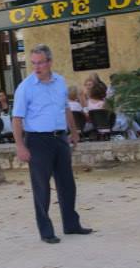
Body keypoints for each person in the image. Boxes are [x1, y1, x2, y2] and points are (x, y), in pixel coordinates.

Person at [12, 44, 92, 243]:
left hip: (60, 138)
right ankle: (46, 232)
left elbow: (65, 109)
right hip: (37, 141)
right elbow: (16, 118)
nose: (37, 68)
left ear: (49, 62)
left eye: (40, 63)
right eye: (33, 64)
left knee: (67, 183)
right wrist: (20, 146)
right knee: (42, 187)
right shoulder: (25, 87)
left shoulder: (60, 82)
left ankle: (71, 225)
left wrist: (74, 132)